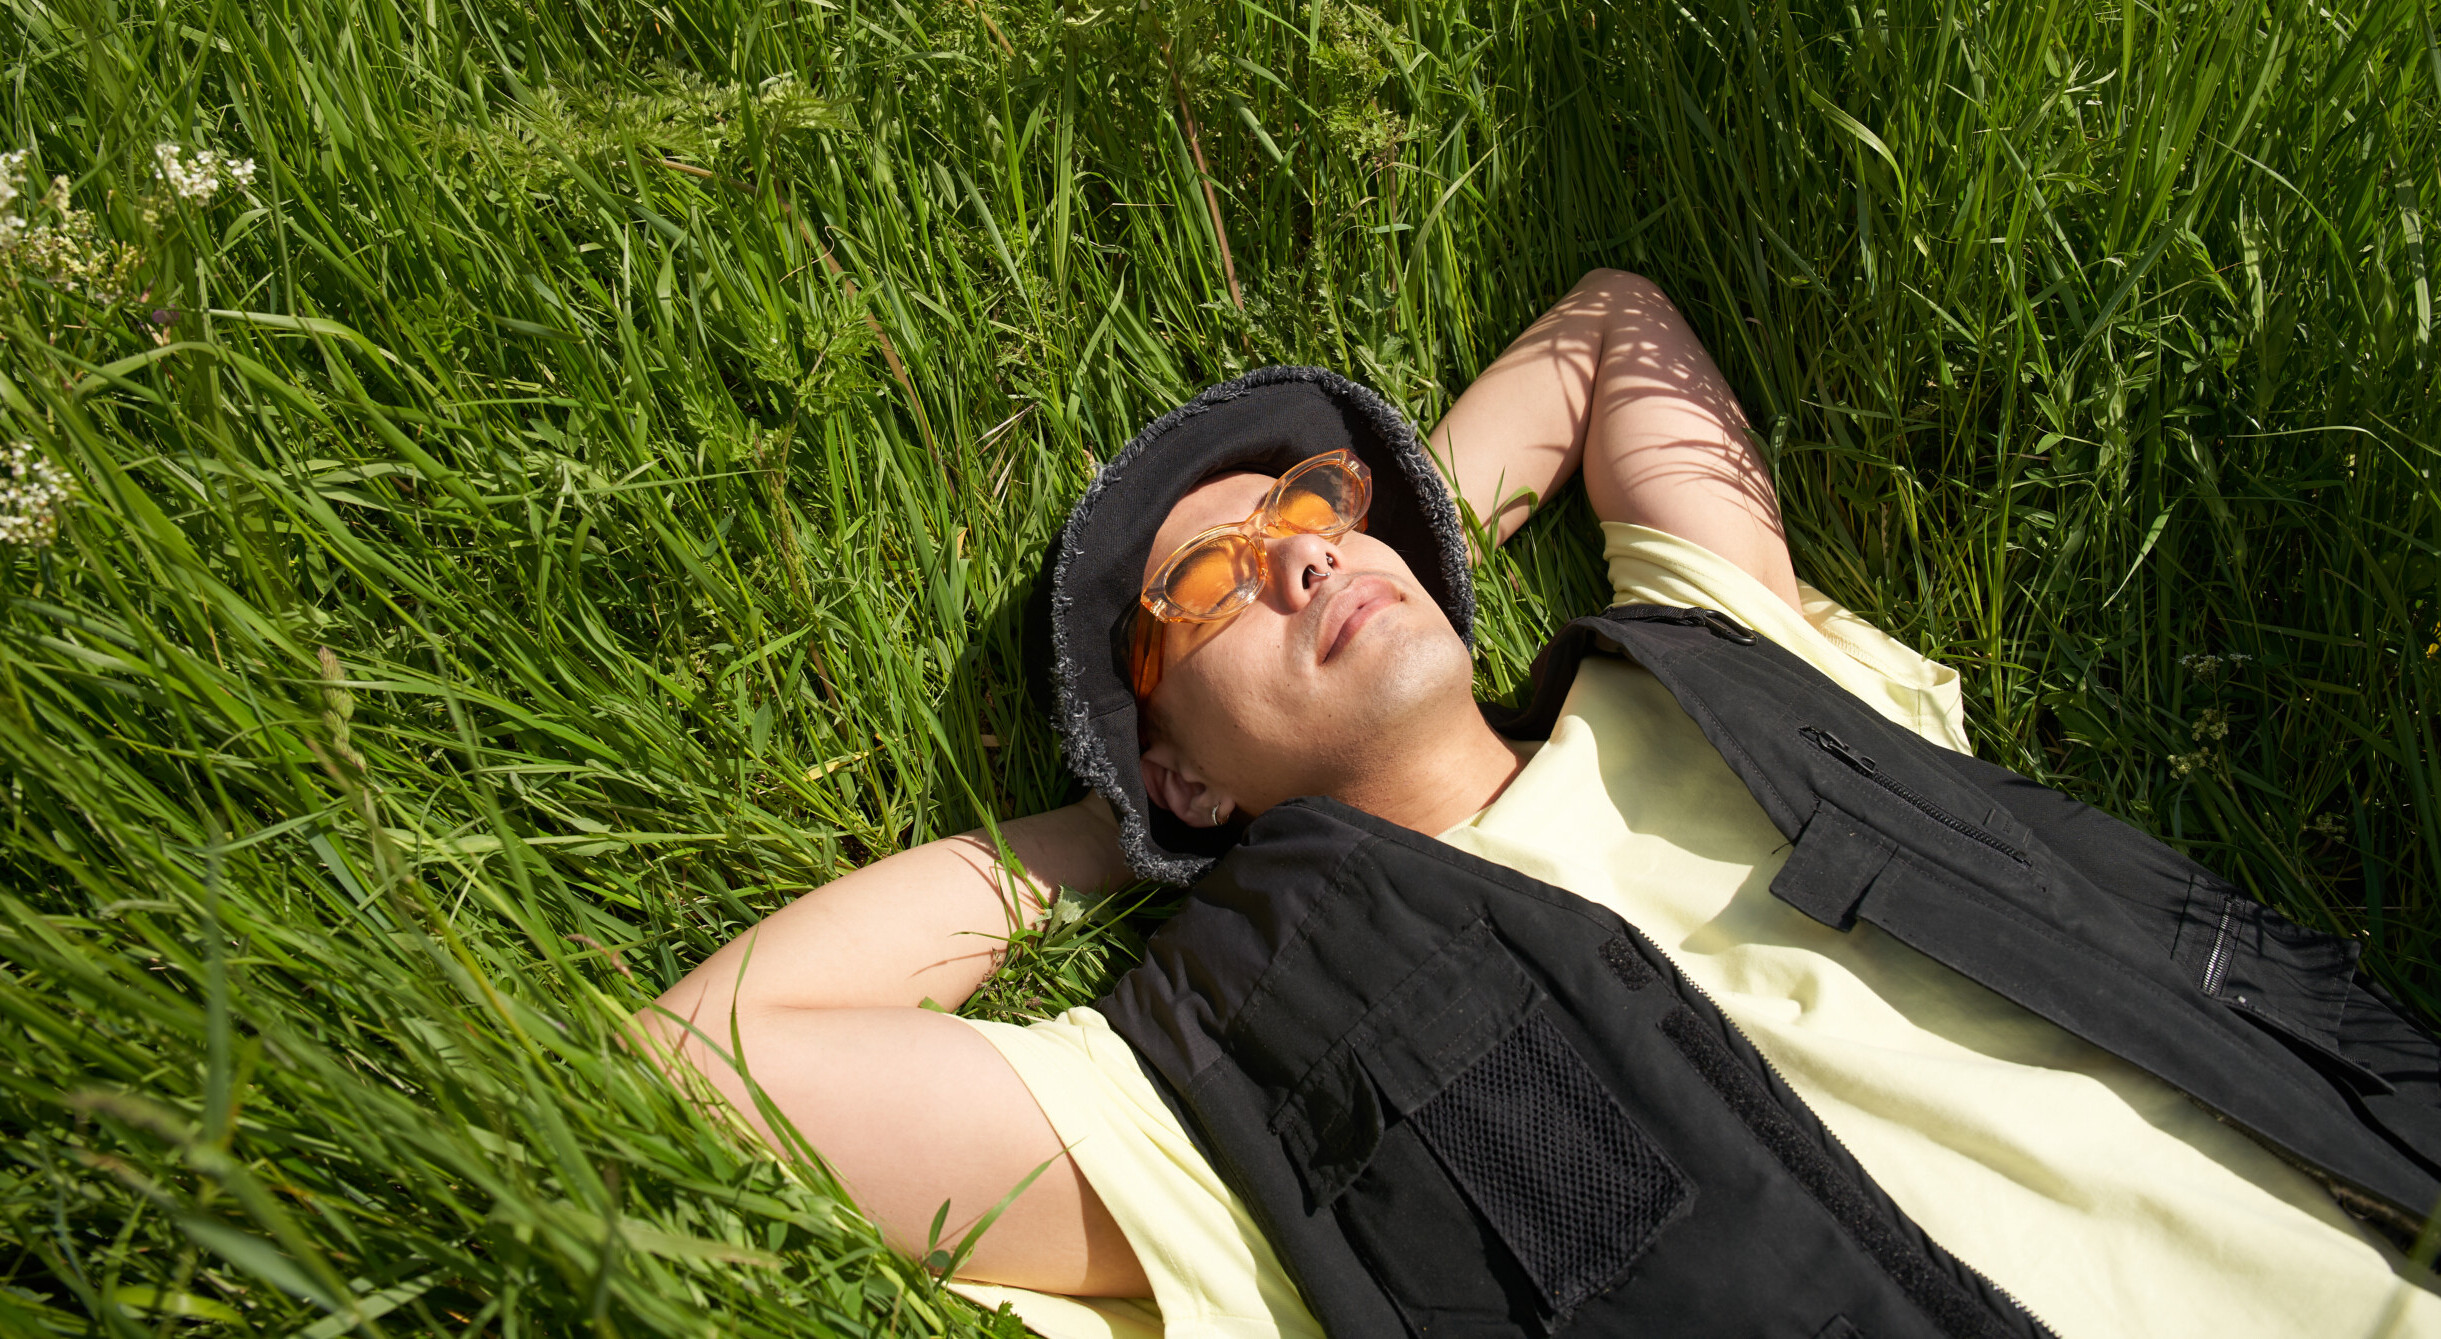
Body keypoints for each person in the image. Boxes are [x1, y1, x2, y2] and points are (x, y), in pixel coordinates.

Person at [637, 271, 2441, 1339]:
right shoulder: (1234, 1079)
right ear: (1170, 757)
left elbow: (1609, 330)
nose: (1290, 564)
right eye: (1209, 586)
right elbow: (706, 1066)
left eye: (1314, 516)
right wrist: (1137, 832)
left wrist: (1407, 528)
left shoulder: (1711, 672)